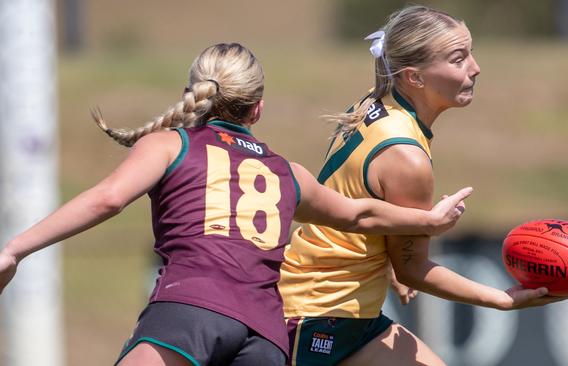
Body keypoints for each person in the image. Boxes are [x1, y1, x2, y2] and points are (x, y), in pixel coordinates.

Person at [0, 43, 475, 366]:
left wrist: (15, 248)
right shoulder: (285, 170)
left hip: (190, 313)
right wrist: (427, 222)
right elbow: (360, 214)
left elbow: (105, 200)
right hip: (266, 337)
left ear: (194, 95)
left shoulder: (171, 145)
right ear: (258, 109)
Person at [278, 5, 567, 366]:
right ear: (414, 77)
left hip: (346, 308)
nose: (475, 68)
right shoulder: (407, 157)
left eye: (470, 53)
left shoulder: (377, 102)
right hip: (321, 314)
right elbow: (412, 270)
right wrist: (502, 299)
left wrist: (388, 261)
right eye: (458, 59)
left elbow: (358, 200)